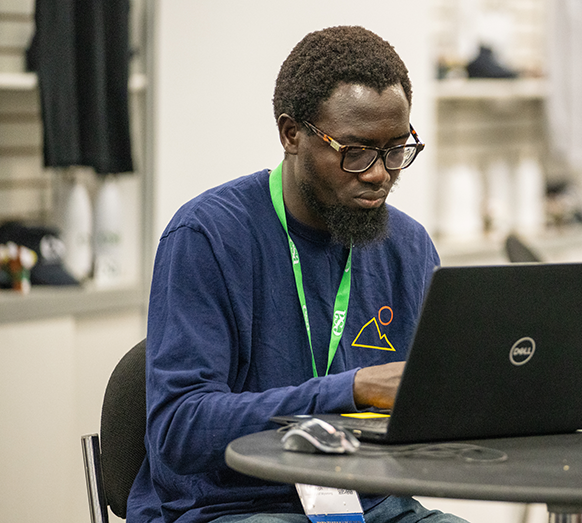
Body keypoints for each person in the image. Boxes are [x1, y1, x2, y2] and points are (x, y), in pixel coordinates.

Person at [127, 26, 467, 523]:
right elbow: (180, 429)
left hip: (373, 505)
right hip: (237, 507)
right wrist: (350, 391)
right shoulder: (207, 237)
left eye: (396, 149)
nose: (378, 173)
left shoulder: (408, 246)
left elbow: (425, 404)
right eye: (355, 151)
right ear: (291, 134)